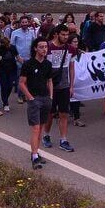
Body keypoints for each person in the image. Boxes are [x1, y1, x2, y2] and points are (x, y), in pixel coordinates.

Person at [19, 37, 53, 170]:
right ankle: (34, 157)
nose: (44, 49)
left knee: (41, 130)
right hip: (34, 100)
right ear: (35, 48)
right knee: (35, 128)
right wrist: (30, 97)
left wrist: (50, 96)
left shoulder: (48, 64)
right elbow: (21, 83)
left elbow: (50, 80)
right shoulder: (28, 64)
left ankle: (36, 152)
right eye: (41, 47)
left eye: (45, 47)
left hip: (46, 99)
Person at [42, 24, 76, 152]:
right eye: (63, 34)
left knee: (64, 113)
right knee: (50, 113)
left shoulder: (71, 49)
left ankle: (63, 139)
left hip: (64, 86)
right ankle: (46, 135)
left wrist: (72, 86)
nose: (65, 37)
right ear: (57, 34)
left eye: (67, 35)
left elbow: (72, 68)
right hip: (50, 86)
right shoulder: (48, 47)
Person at [10, 15, 36, 103]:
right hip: (19, 59)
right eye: (23, 22)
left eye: (26, 22)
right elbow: (12, 46)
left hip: (29, 59)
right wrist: (17, 57)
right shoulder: (15, 33)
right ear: (20, 23)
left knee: (29, 78)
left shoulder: (32, 33)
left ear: (28, 23)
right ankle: (20, 96)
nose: (24, 24)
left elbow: (34, 45)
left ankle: (25, 95)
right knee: (20, 78)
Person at [0, 34, 18, 112]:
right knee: (4, 86)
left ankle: (5, 98)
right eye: (5, 45)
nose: (7, 46)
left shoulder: (13, 48)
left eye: (8, 44)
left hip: (12, 69)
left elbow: (18, 57)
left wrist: (24, 63)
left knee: (10, 86)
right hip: (2, 70)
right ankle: (5, 103)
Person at [68, 34, 86, 127]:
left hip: (76, 80)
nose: (76, 43)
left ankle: (76, 118)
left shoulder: (79, 53)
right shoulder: (66, 52)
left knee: (76, 98)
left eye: (77, 41)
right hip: (65, 79)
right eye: (74, 42)